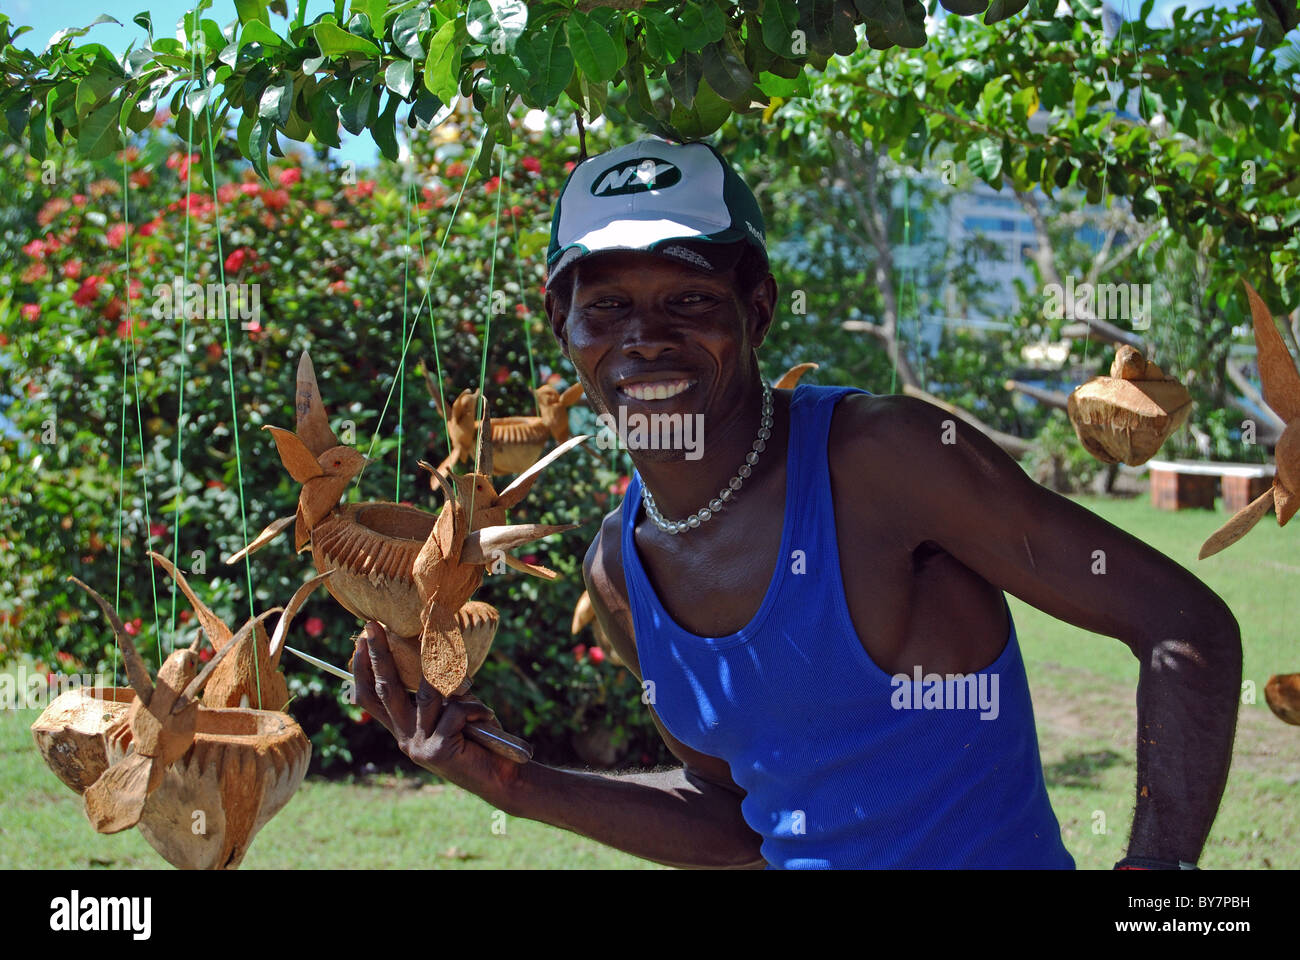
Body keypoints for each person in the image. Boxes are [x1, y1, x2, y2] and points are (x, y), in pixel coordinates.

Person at [354, 136, 1242, 869]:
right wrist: (509, 782)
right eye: (608, 306)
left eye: (689, 298)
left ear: (759, 307)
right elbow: (738, 819)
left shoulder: (883, 460)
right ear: (565, 328)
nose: (644, 340)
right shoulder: (620, 570)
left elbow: (1180, 621)